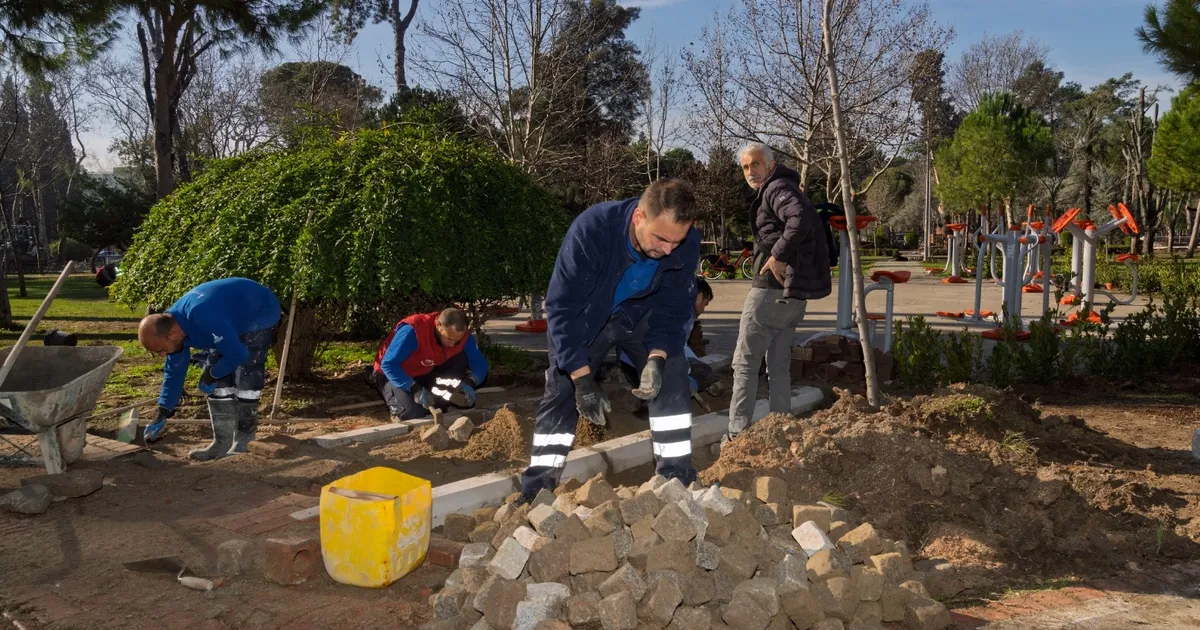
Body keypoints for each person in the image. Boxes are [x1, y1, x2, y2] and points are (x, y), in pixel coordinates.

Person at [519, 179, 701, 501]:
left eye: (677, 241)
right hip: (588, 318)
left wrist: (657, 358)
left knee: (672, 371)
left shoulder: (682, 243)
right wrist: (581, 379)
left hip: (639, 315)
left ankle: (676, 480)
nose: (669, 250)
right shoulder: (594, 230)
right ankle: (537, 489)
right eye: (661, 238)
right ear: (638, 218)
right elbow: (562, 307)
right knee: (562, 385)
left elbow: (674, 308)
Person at [726, 142, 830, 443]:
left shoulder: (776, 189)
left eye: (756, 164)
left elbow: (800, 218)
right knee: (779, 367)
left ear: (770, 165)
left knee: (744, 364)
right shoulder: (783, 187)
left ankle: (737, 437)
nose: (750, 171)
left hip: (769, 294)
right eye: (745, 167)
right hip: (791, 295)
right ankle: (781, 429)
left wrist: (779, 255)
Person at [137, 278, 281, 459]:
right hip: (226, 319)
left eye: (160, 350)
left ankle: (244, 442)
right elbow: (174, 371)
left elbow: (238, 354)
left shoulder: (201, 316)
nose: (162, 355)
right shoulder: (174, 328)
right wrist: (163, 411)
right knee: (218, 383)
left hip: (259, 311)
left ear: (172, 334)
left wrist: (212, 373)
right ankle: (222, 443)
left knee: (247, 373)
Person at [372, 308, 488, 421]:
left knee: (460, 361)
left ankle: (441, 397)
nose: (452, 345)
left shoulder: (462, 336)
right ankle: (398, 406)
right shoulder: (414, 331)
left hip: (424, 370)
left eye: (457, 340)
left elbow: (479, 363)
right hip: (393, 374)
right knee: (412, 412)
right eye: (448, 339)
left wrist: (470, 382)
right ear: (438, 325)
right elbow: (388, 365)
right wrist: (414, 388)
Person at [619, 276, 718, 396]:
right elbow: (678, 347)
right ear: (699, 297)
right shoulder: (684, 313)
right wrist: (687, 372)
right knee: (703, 371)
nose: (703, 310)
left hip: (628, 364)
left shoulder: (665, 299)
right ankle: (681, 390)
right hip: (650, 368)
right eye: (705, 304)